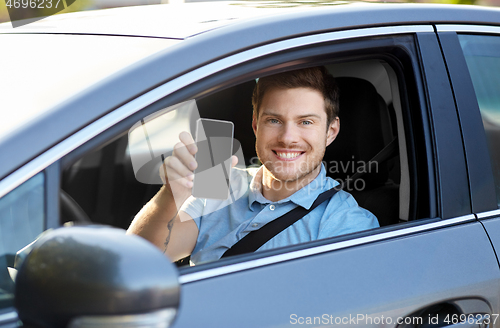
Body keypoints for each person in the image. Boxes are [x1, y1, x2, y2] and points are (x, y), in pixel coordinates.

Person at [127, 66, 379, 265]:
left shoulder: (346, 224)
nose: (288, 137)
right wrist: (171, 194)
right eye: (274, 120)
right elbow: (136, 260)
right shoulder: (218, 186)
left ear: (331, 131)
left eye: (305, 122)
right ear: (256, 126)